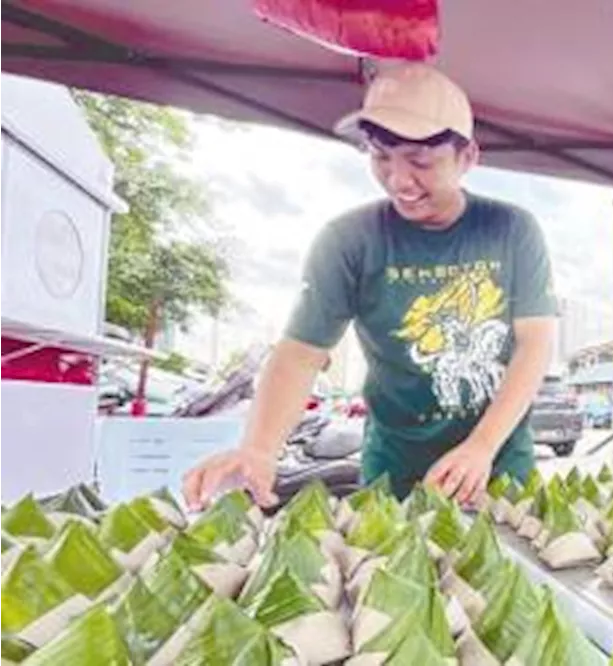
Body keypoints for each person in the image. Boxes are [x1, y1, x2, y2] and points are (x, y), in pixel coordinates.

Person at [182, 63, 558, 509]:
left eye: (420, 161)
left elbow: (534, 345)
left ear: (468, 157)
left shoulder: (511, 229)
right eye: (380, 157)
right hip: (394, 467)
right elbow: (301, 354)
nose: (399, 180)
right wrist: (260, 449)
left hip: (497, 462)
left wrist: (482, 446)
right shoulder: (349, 240)